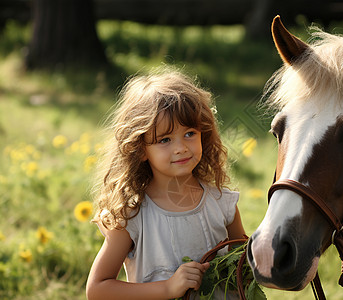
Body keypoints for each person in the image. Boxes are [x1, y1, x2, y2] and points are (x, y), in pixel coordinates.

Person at [86, 68, 246, 300]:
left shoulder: (222, 203)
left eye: (190, 133)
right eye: (165, 139)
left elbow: (245, 269)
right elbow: (98, 289)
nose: (181, 147)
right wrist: (168, 288)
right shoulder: (132, 214)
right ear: (140, 149)